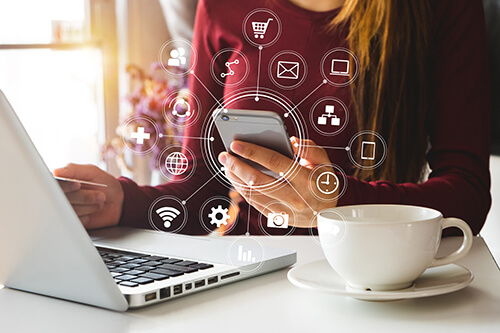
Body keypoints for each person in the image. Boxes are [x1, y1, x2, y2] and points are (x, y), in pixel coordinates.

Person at [55, 0, 491, 236]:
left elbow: (467, 195)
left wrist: (339, 205)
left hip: (375, 279)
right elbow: (201, 190)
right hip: (246, 278)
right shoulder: (222, 7)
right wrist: (122, 201)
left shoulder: (440, 9)